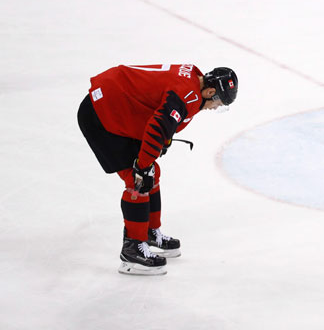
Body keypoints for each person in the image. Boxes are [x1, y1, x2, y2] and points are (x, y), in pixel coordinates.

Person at [77, 64, 238, 275]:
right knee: (138, 180)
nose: (215, 107)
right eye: (218, 102)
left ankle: (148, 233)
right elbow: (157, 127)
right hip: (102, 114)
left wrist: (160, 144)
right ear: (209, 92)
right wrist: (142, 167)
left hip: (117, 104)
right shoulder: (186, 97)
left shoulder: (192, 78)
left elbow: (158, 105)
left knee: (152, 174)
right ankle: (132, 250)